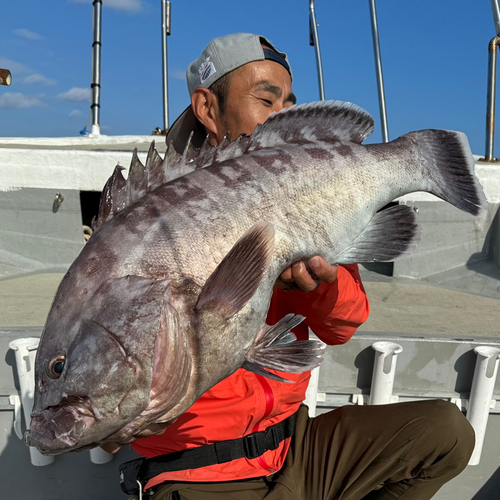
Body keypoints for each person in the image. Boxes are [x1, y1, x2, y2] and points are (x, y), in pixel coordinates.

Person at [126, 34, 474, 500]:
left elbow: (344, 326)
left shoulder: (305, 193)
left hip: (298, 447)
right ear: (208, 108)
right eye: (266, 99)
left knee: (445, 433)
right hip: (200, 472)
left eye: (290, 102)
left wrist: (314, 288)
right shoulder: (154, 220)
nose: (283, 115)